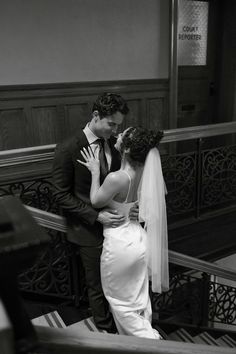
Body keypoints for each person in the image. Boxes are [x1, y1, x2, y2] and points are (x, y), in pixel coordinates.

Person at [53, 92, 138, 334]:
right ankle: (106, 336)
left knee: (119, 281)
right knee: (97, 286)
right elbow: (60, 195)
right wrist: (95, 216)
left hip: (119, 230)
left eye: (117, 126)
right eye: (111, 124)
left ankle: (123, 327)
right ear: (96, 116)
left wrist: (131, 208)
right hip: (88, 231)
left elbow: (120, 184)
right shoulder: (68, 147)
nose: (114, 130)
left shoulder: (114, 144)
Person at [78, 126, 169, 339]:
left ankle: (153, 344)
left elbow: (95, 201)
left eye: (123, 135)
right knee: (137, 298)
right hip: (138, 239)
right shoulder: (145, 172)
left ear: (127, 149)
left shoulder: (117, 178)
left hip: (121, 244)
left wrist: (93, 173)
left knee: (119, 301)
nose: (118, 136)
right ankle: (142, 340)